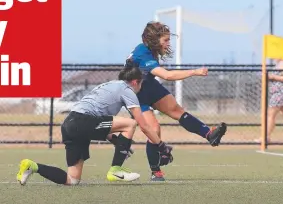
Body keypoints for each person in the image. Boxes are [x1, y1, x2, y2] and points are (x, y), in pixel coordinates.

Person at [16, 66, 173, 186]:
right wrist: (161, 146)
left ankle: (32, 166)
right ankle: (116, 169)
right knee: (130, 123)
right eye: (141, 83)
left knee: (72, 179)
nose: (141, 87)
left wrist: (115, 141)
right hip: (82, 121)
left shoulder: (110, 85)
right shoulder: (127, 90)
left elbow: (97, 124)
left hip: (70, 124)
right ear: (134, 82)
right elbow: (143, 125)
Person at [126, 21, 227, 181]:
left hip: (148, 85)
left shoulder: (151, 50)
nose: (168, 43)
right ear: (154, 39)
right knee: (153, 128)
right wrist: (195, 71)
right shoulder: (143, 53)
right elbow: (167, 75)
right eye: (165, 40)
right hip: (135, 93)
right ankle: (155, 171)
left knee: (177, 111)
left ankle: (209, 134)